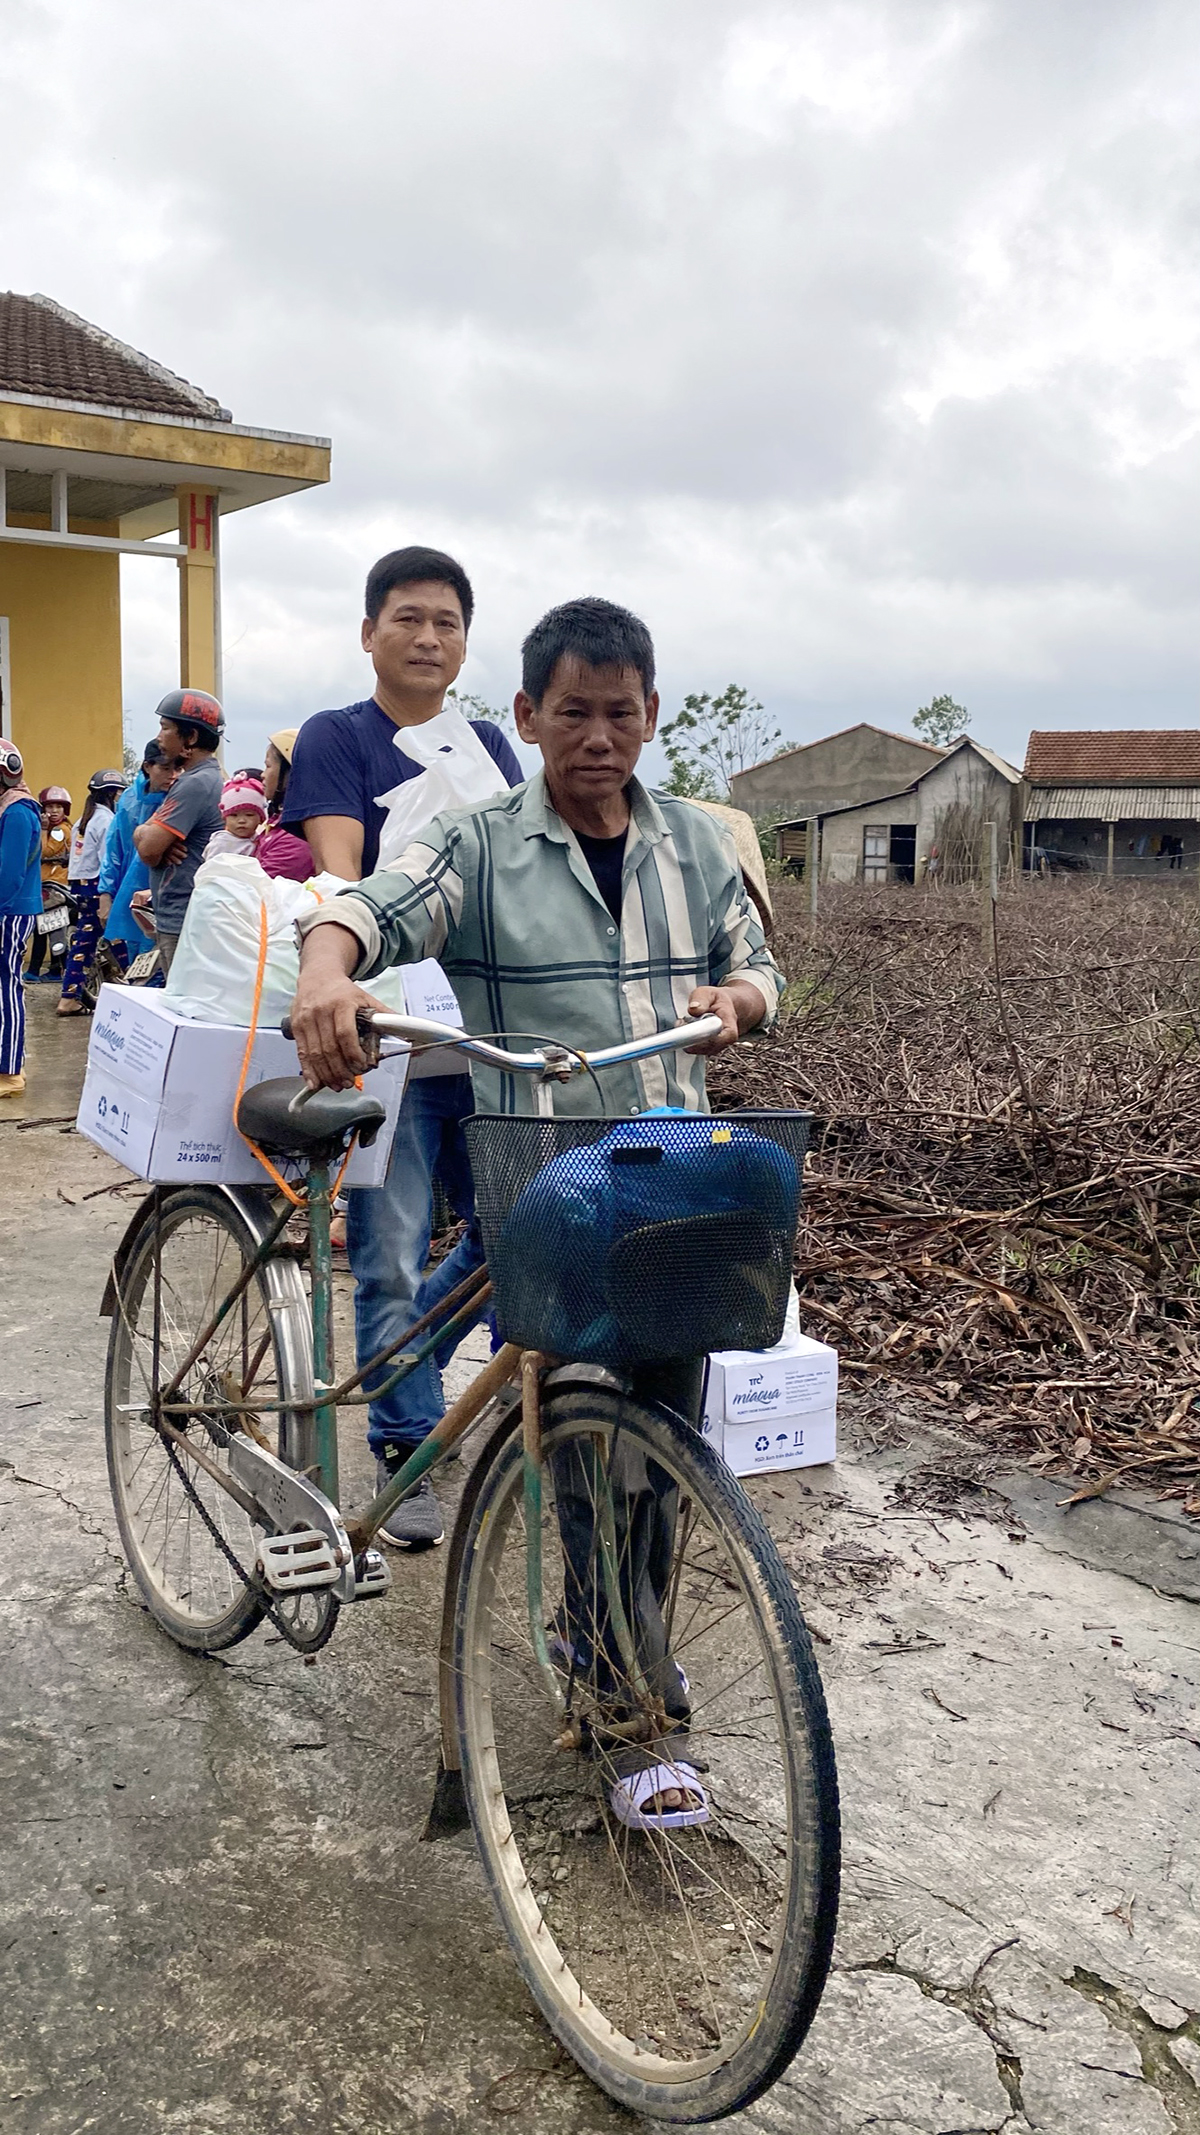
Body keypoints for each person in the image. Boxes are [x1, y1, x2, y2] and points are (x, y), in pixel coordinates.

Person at [290, 597, 783, 1830]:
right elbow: (374, 903)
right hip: (555, 1181)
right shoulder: (484, 842)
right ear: (527, 716)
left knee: (665, 1437)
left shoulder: (701, 844)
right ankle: (621, 1710)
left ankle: (612, 1631)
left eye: (622, 712)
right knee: (583, 1440)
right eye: (574, 711)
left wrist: (743, 997)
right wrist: (324, 968)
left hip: (679, 1175)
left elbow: (758, 960)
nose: (600, 735)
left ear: (652, 714)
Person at [283, 546, 522, 1547]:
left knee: (512, 1238)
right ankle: (408, 1444)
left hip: (485, 1029)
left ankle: (422, 1381)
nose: (430, 638)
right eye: (409, 618)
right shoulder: (339, 737)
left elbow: (517, 863)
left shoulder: (493, 746)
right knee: (384, 1250)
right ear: (371, 629)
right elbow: (346, 877)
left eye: (449, 622)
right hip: (390, 1026)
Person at [132, 689, 225, 973]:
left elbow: (148, 851)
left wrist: (149, 836)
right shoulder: (206, 778)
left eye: (166, 728)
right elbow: (146, 840)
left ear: (191, 737)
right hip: (189, 915)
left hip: (183, 917)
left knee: (184, 1005)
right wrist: (146, 832)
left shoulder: (194, 784)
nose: (160, 737)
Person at [96, 742, 177, 967]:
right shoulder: (130, 800)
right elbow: (114, 851)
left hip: (166, 895)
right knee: (137, 968)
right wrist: (106, 894)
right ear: (147, 767)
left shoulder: (179, 800)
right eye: (165, 768)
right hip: (130, 896)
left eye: (177, 768)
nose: (172, 775)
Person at [58, 769, 128, 1016]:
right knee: (120, 937)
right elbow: (107, 860)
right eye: (119, 794)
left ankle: (69, 998)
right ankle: (140, 988)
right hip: (99, 887)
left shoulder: (82, 820)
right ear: (111, 794)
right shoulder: (107, 820)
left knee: (83, 944)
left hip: (80, 886)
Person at [0, 740, 44, 1095]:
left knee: (6, 987)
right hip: (8, 909)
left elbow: (9, 874)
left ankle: (10, 1071)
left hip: (8, 912)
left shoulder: (15, 812)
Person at [24, 786, 72, 983]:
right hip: (51, 886)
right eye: (49, 807)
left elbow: (44, 851)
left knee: (47, 929)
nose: (53, 811)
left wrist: (43, 829)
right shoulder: (58, 829)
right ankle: (53, 969)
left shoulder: (60, 831)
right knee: (50, 929)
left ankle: (39, 970)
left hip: (54, 887)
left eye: (58, 807)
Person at [254, 730, 312, 882]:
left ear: (290, 773)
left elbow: (255, 885)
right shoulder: (280, 824)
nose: (263, 774)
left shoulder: (295, 835)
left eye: (268, 766)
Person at [203, 776, 267, 860]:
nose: (241, 821)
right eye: (234, 815)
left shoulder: (262, 841)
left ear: (260, 819)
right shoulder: (221, 844)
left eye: (249, 815)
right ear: (225, 818)